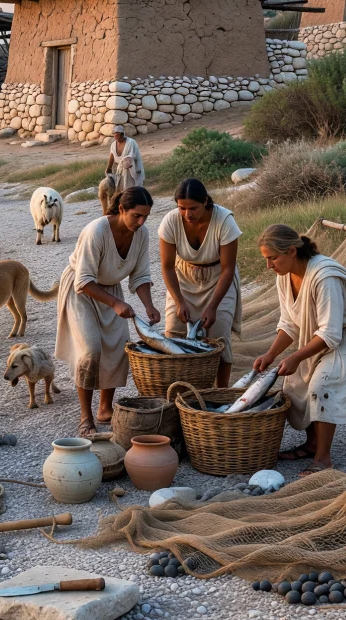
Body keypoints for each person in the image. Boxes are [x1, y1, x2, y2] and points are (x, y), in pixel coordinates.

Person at [253, 224, 346, 476]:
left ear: (291, 251)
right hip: (315, 339)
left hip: (344, 341)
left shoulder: (325, 276)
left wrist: (296, 356)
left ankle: (323, 459)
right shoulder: (284, 276)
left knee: (321, 386)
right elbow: (289, 323)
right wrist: (271, 355)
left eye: (272, 258)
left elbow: (331, 333)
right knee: (296, 384)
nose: (269, 266)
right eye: (266, 259)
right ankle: (312, 445)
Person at [55, 186, 160, 437]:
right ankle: (85, 417)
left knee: (116, 348)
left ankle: (104, 409)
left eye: (145, 216)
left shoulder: (141, 234)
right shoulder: (97, 231)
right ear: (121, 209)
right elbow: (84, 280)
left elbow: (141, 275)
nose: (141, 221)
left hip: (110, 288)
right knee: (90, 350)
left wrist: (148, 305)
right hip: (81, 290)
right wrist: (115, 303)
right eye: (136, 215)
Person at [158, 179, 243, 387]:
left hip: (218, 279)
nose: (188, 214)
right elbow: (168, 267)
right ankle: (179, 389)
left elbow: (228, 269)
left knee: (219, 336)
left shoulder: (224, 221)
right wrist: (179, 301)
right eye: (182, 208)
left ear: (205, 201)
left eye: (193, 208)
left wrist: (212, 307)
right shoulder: (170, 221)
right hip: (184, 278)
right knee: (173, 332)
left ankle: (220, 391)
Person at [106, 127, 144, 193]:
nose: (117, 138)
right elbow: (112, 156)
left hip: (131, 167)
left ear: (123, 135)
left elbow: (130, 157)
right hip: (120, 168)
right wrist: (108, 167)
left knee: (131, 187)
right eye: (115, 137)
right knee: (120, 187)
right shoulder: (113, 144)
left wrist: (125, 165)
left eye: (118, 136)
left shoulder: (131, 142)